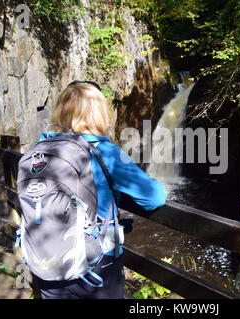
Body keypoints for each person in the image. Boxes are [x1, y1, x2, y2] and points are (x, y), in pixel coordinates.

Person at [33, 80, 166, 299]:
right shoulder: (105, 151)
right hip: (95, 268)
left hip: (49, 263)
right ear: (98, 114)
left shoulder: (41, 149)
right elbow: (155, 197)